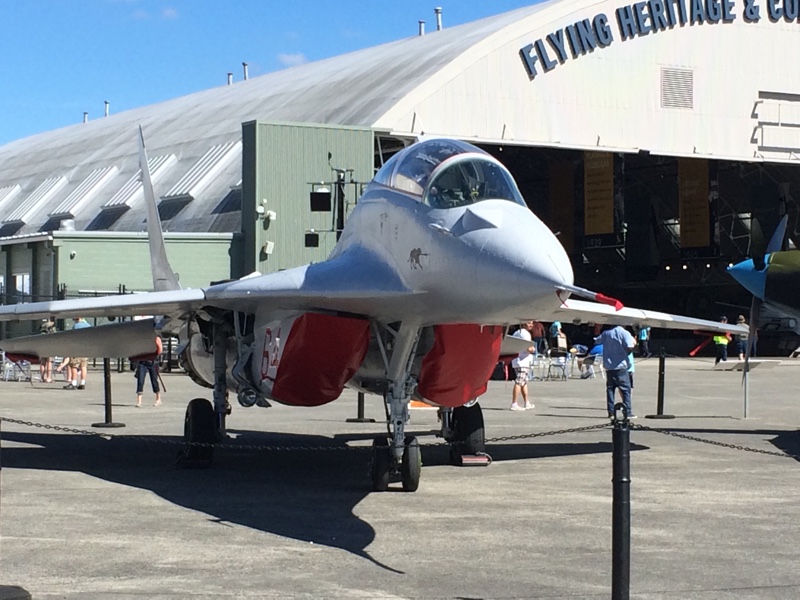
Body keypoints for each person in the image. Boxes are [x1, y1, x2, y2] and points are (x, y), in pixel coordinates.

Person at [595, 325, 637, 419]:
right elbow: (630, 347)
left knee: (610, 390)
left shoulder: (606, 333)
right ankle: (627, 412)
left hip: (609, 366)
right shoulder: (625, 333)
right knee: (626, 390)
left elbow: (596, 341)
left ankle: (611, 412)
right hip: (621, 365)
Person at [510, 321, 535, 411]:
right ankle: (514, 403)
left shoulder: (516, 333)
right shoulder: (525, 334)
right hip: (523, 361)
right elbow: (528, 348)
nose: (531, 325)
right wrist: (533, 348)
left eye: (532, 323)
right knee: (519, 382)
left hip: (516, 360)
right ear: (524, 324)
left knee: (524, 382)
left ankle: (526, 402)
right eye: (529, 323)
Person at [135, 334, 163, 407]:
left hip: (152, 362)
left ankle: (158, 399)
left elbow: (160, 350)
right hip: (142, 362)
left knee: (154, 380)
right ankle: (139, 400)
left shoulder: (156, 338)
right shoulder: (141, 339)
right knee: (140, 380)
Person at [64, 317, 91, 390]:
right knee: (83, 366)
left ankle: (74, 383)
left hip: (77, 348)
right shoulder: (88, 325)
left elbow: (73, 337)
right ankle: (82, 383)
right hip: (86, 348)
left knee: (74, 366)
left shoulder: (76, 326)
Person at [38, 317, 56, 383]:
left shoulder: (42, 326)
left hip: (41, 345)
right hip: (49, 345)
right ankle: (48, 378)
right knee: (49, 362)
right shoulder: (51, 328)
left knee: (42, 362)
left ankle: (42, 377)